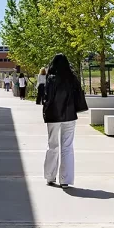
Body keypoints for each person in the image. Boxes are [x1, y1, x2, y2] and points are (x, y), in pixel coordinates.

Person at [42, 54, 87, 188]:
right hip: (69, 115)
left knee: (53, 146)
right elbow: (78, 95)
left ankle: (50, 176)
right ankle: (65, 179)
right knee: (67, 147)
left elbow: (47, 98)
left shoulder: (50, 79)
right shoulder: (72, 78)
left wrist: (45, 112)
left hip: (53, 116)